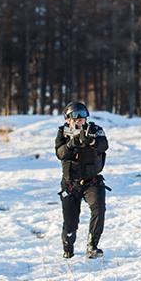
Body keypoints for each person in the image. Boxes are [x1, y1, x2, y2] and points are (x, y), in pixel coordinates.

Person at [55, 101, 109, 259]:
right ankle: (68, 247)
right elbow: (60, 153)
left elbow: (104, 145)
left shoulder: (95, 130)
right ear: (68, 119)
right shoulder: (63, 133)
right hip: (70, 184)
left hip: (92, 181)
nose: (80, 119)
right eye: (76, 117)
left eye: (83, 116)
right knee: (70, 222)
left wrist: (91, 141)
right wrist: (72, 143)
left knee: (99, 209)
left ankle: (93, 246)